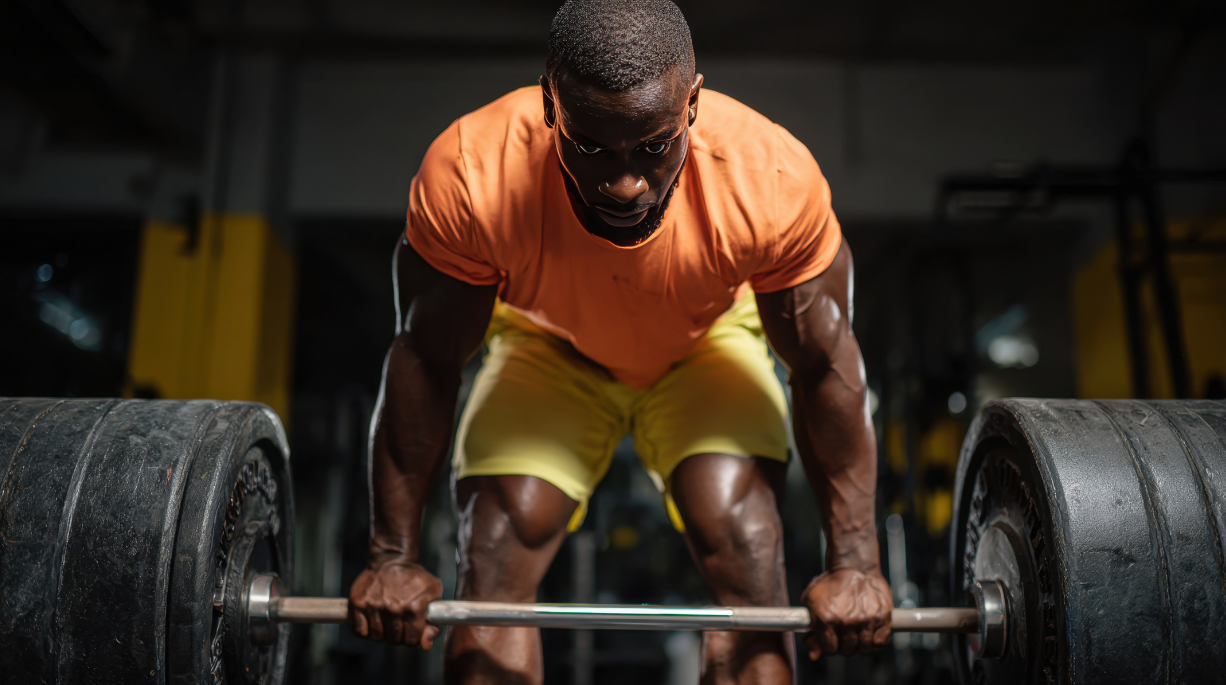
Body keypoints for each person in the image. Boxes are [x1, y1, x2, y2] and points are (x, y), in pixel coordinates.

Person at [348, 1, 892, 682]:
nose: (625, 184)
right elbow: (425, 360)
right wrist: (392, 558)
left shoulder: (771, 181)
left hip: (706, 342)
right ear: (551, 105)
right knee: (495, 546)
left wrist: (856, 566)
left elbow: (823, 362)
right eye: (591, 148)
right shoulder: (472, 174)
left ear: (692, 105)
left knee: (744, 535)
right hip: (548, 344)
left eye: (654, 147)